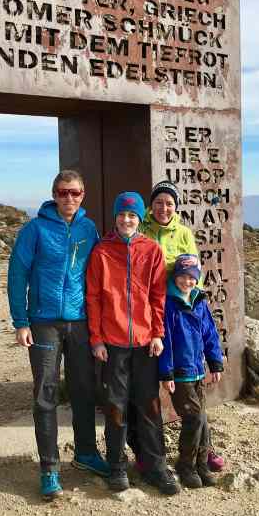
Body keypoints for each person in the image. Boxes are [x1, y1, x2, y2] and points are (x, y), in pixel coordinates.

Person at [7, 169, 110, 499]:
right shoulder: (34, 229)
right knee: (46, 392)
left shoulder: (88, 228)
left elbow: (97, 272)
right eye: (63, 192)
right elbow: (17, 275)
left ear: (83, 195)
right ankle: (50, 467)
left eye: (75, 193)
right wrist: (20, 322)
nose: (69, 198)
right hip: (43, 322)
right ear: (54, 194)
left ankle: (85, 453)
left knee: (83, 388)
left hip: (80, 321)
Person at [86, 192, 180, 495]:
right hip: (112, 344)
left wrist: (157, 333)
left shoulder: (151, 251)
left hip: (144, 343)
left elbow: (157, 296)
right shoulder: (101, 252)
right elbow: (94, 298)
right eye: (122, 215)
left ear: (140, 219)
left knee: (149, 406)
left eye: (133, 216)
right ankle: (117, 467)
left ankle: (155, 467)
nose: (127, 220)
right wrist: (97, 339)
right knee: (115, 407)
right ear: (115, 218)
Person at [138, 179, 227, 472]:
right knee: (151, 387)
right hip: (149, 309)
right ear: (152, 205)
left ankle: (205, 449)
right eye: (159, 202)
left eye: (170, 203)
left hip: (176, 307)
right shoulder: (142, 230)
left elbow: (194, 271)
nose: (164, 208)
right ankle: (149, 453)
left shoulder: (184, 233)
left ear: (176, 207)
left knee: (193, 399)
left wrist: (192, 299)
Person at [158, 254, 225, 488]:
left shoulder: (199, 301)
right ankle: (185, 465)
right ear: (175, 276)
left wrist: (215, 362)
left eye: (192, 278)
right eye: (183, 276)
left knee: (202, 419)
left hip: (198, 370)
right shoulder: (168, 304)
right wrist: (166, 373)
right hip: (179, 373)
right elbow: (163, 341)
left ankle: (202, 464)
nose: (187, 282)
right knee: (194, 418)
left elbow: (210, 334)